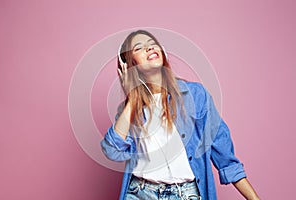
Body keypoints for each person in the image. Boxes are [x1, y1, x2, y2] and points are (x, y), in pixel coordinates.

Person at [101, 30, 260, 200]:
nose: (148, 48)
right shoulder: (128, 111)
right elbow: (112, 150)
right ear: (129, 65)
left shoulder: (196, 95)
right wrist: (132, 98)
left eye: (151, 43)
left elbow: (223, 153)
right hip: (139, 192)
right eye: (139, 48)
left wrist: (253, 198)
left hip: (185, 194)